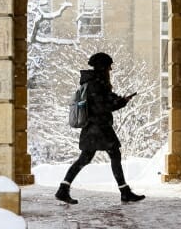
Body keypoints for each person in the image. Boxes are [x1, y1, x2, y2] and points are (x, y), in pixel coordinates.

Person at [55, 52, 145, 204]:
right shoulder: (96, 83)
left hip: (94, 128)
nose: (110, 70)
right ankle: (125, 192)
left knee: (85, 159)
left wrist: (119, 99)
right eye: (109, 66)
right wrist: (121, 102)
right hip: (99, 128)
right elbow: (103, 106)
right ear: (103, 67)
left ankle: (63, 189)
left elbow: (104, 99)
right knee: (113, 155)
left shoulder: (94, 82)